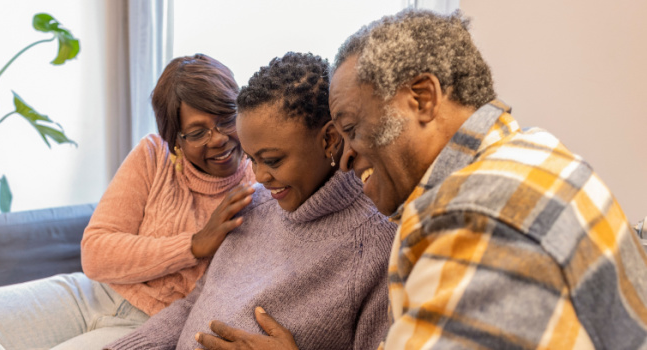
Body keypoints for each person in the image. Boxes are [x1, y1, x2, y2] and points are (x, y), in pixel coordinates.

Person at [200, 9, 647, 350]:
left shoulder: (471, 221)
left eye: (351, 128)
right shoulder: (533, 150)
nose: (346, 156)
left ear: (423, 98)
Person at [0, 54, 257, 349]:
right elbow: (95, 252)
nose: (219, 138)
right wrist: (192, 245)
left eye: (226, 119)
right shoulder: (152, 155)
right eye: (197, 132)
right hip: (90, 294)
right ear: (174, 139)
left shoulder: (260, 184)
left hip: (149, 324)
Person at [107, 52, 397, 350]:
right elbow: (194, 303)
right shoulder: (257, 205)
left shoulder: (377, 245)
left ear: (330, 140)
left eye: (272, 160)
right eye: (251, 159)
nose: (259, 177)